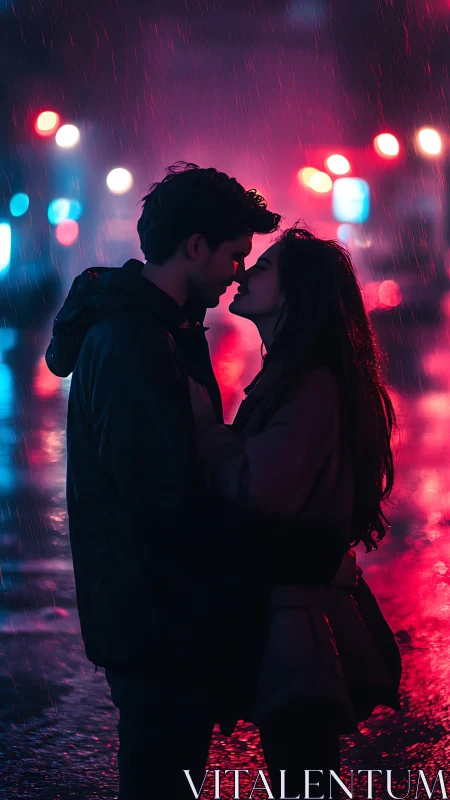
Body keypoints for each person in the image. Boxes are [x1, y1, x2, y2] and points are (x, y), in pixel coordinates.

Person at [44, 162, 290, 800]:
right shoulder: (133, 340)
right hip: (154, 615)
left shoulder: (161, 328)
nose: (239, 272)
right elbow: (160, 497)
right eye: (235, 255)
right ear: (195, 246)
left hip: (156, 609)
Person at [189, 225, 402, 800]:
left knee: (302, 777)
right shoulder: (294, 376)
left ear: (297, 292)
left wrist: (207, 430)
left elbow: (257, 489)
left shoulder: (308, 385)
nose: (245, 273)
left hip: (299, 624)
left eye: (264, 267)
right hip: (293, 610)